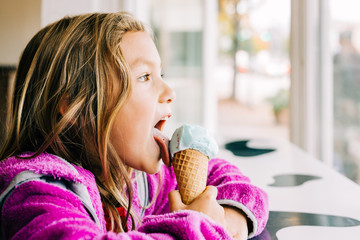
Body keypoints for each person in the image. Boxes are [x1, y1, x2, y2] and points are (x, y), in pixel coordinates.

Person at [0, 12, 268, 240]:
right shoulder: (34, 191)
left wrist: (230, 220)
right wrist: (197, 228)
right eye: (144, 77)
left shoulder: (139, 181)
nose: (169, 91)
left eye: (160, 74)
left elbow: (226, 177)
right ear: (75, 107)